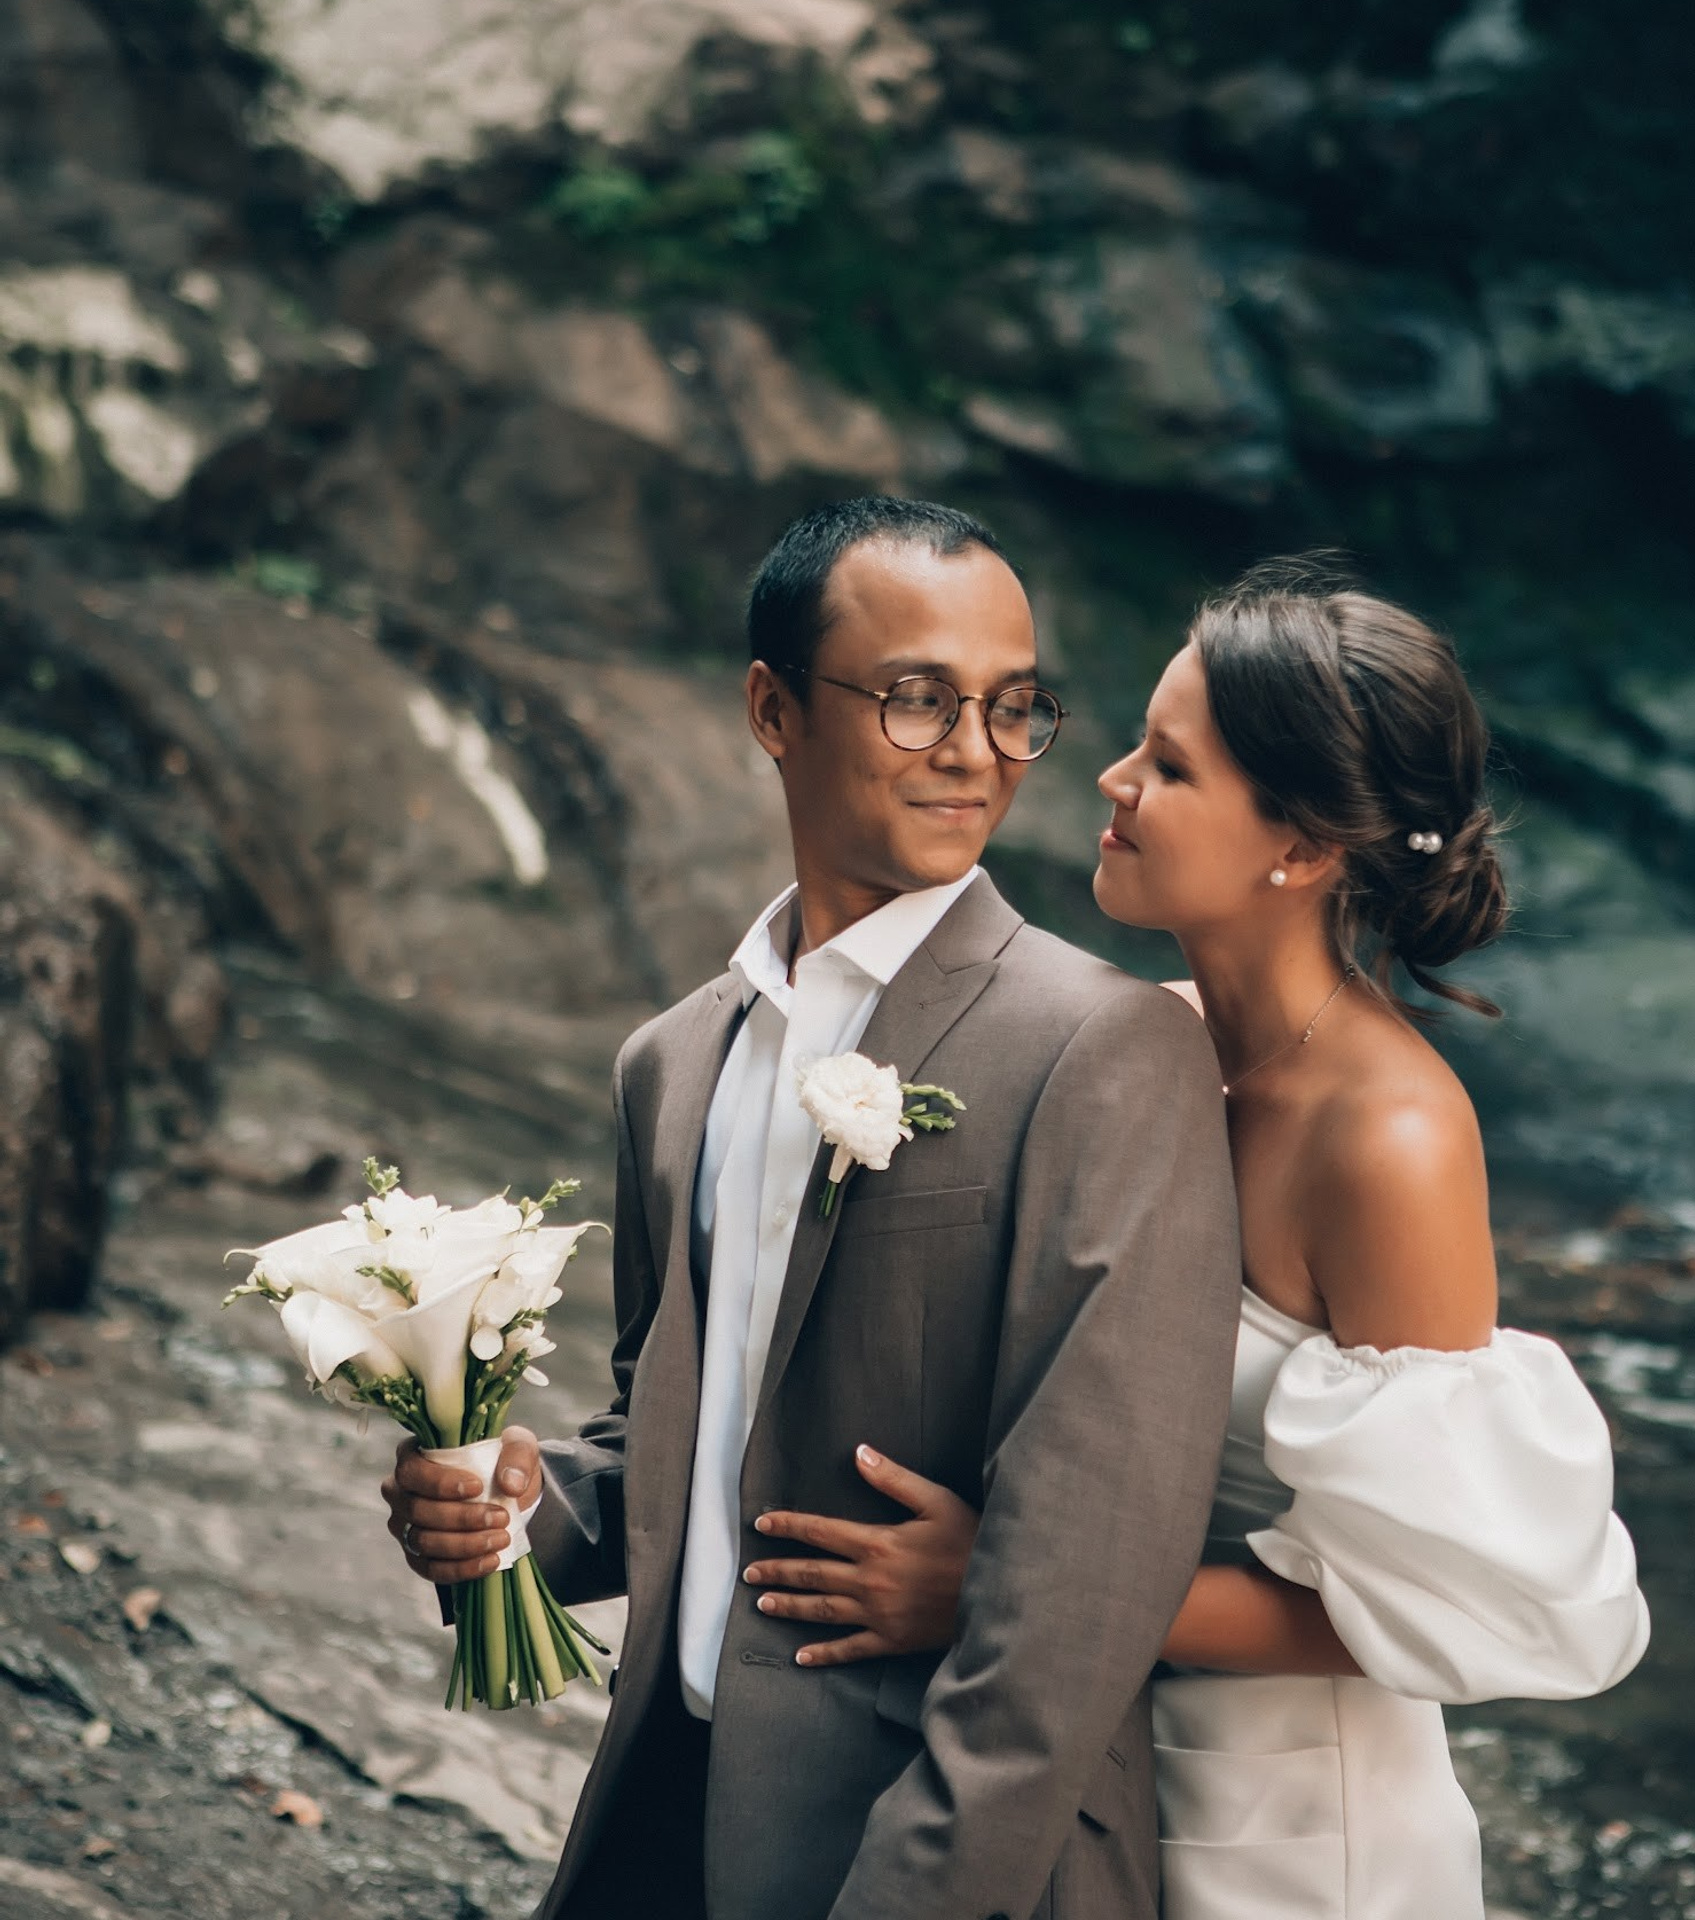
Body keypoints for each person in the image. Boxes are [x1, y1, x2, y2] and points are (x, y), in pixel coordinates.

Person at [742, 561, 1652, 1920]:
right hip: (1077, 1757)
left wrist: (1007, 1588)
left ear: (1298, 847)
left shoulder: (1387, 1139)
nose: (1108, 780)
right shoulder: (1138, 1042)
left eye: (1167, 766)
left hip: (1287, 1825)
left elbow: (1428, 1613)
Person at [380, 496, 1245, 1920]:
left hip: (935, 1846)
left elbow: (1085, 1586)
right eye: (917, 701)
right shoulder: (672, 1059)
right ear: (775, 710)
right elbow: (681, 1427)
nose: (975, 752)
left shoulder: (1107, 1050)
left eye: (1012, 707)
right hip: (667, 1808)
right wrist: (516, 1512)